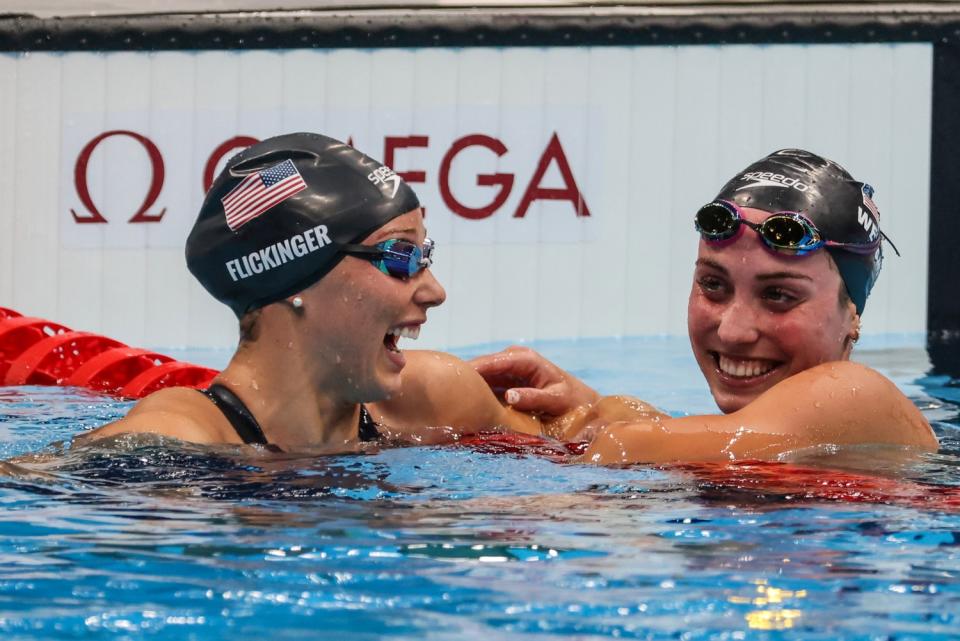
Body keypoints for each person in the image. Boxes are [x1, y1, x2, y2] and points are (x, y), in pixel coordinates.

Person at [471, 149, 939, 463]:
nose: (734, 331)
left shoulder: (858, 395)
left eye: (779, 295)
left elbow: (620, 452)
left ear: (852, 313)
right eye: (713, 285)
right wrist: (589, 409)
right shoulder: (794, 445)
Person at [79, 133, 540, 451]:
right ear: (294, 279)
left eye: (425, 254)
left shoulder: (431, 399)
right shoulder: (177, 437)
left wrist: (582, 401)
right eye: (399, 256)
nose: (434, 291)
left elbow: (589, 436)